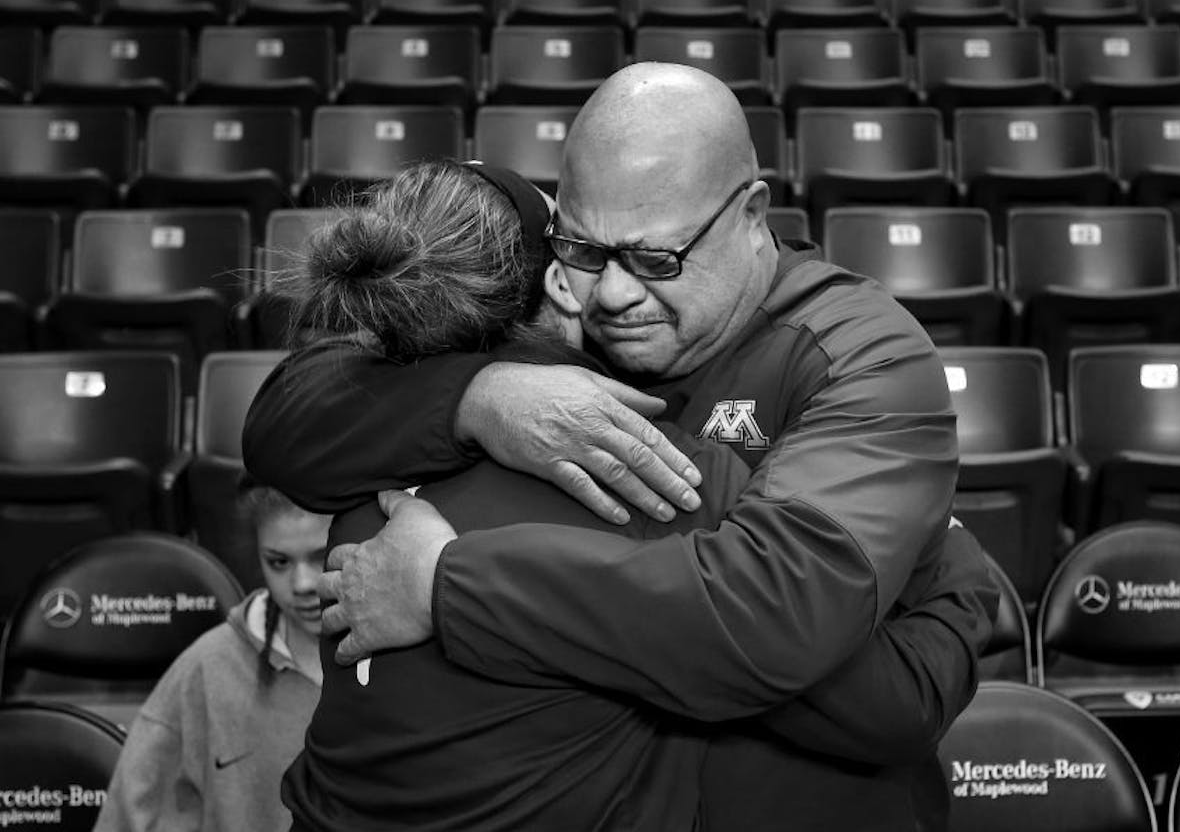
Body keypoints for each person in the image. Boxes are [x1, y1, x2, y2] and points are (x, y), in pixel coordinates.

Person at [245, 63, 996, 831]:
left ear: (750, 211)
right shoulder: (551, 329)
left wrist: (449, 585)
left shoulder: (863, 350)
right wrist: (481, 398)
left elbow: (774, 615)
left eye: (653, 260)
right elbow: (283, 421)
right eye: (582, 250)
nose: (611, 294)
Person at [92, 479, 329, 832]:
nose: (302, 584)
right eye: (278, 562)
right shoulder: (207, 668)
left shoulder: (416, 660)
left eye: (321, 556)